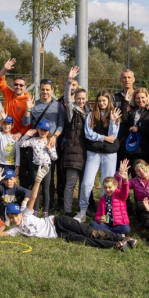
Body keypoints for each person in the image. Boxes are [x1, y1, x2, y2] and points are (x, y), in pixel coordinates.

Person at [0, 172, 135, 251]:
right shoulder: (16, 229)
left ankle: (123, 238)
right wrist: (6, 223)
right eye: (12, 217)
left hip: (58, 222)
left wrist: (38, 180)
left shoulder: (26, 214)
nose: (15, 219)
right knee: (85, 241)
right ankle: (117, 245)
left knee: (89, 231)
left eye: (15, 216)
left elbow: (33, 197)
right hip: (59, 235)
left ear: (21, 213)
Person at [76, 90, 121, 223]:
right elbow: (88, 134)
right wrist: (103, 137)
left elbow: (113, 137)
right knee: (86, 183)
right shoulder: (91, 115)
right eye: (99, 101)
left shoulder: (114, 115)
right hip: (93, 153)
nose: (101, 103)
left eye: (104, 101)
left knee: (107, 185)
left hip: (109, 154)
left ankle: (104, 214)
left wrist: (113, 122)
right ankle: (82, 211)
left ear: (108, 102)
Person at [60, 69, 88, 215]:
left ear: (86, 98)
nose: (81, 101)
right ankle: (68, 210)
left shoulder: (88, 114)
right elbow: (67, 99)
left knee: (85, 185)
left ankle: (83, 210)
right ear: (75, 98)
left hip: (85, 154)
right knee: (71, 184)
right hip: (72, 153)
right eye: (79, 98)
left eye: (83, 99)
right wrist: (69, 81)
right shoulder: (72, 111)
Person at [18, 121, 58, 215]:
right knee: (35, 188)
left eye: (45, 130)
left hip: (46, 168)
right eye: (41, 130)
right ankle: (34, 210)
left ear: (48, 132)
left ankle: (45, 211)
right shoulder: (34, 140)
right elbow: (21, 144)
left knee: (45, 189)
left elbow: (55, 157)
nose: (43, 132)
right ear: (38, 130)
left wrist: (50, 149)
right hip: (35, 167)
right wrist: (26, 135)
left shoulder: (50, 142)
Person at [90, 159, 131, 236]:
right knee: (92, 224)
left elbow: (125, 191)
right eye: (105, 187)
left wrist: (125, 180)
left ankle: (108, 234)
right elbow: (98, 215)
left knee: (126, 228)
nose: (107, 189)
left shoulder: (120, 195)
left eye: (110, 187)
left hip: (119, 224)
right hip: (106, 224)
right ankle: (115, 235)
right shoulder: (102, 199)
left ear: (116, 187)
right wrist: (99, 219)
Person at [119, 88, 149, 165]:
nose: (140, 100)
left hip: (144, 149)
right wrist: (125, 103)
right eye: (138, 98)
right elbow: (123, 120)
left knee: (141, 173)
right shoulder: (131, 110)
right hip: (130, 147)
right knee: (123, 172)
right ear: (134, 99)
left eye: (143, 97)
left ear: (147, 98)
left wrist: (138, 129)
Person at [0, 58, 32, 136]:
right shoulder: (9, 93)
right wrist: (4, 69)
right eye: (16, 84)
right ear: (13, 85)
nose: (18, 87)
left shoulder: (29, 101)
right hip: (5, 135)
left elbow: (30, 122)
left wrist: (20, 133)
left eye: (21, 85)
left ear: (25, 87)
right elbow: (0, 81)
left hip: (20, 137)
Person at [0, 116, 21, 183]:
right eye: (4, 123)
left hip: (11, 165)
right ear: (1, 124)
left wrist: (17, 167)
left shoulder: (15, 138)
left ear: (12, 125)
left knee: (10, 183)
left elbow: (18, 154)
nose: (6, 126)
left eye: (8, 124)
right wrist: (2, 118)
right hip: (0, 164)